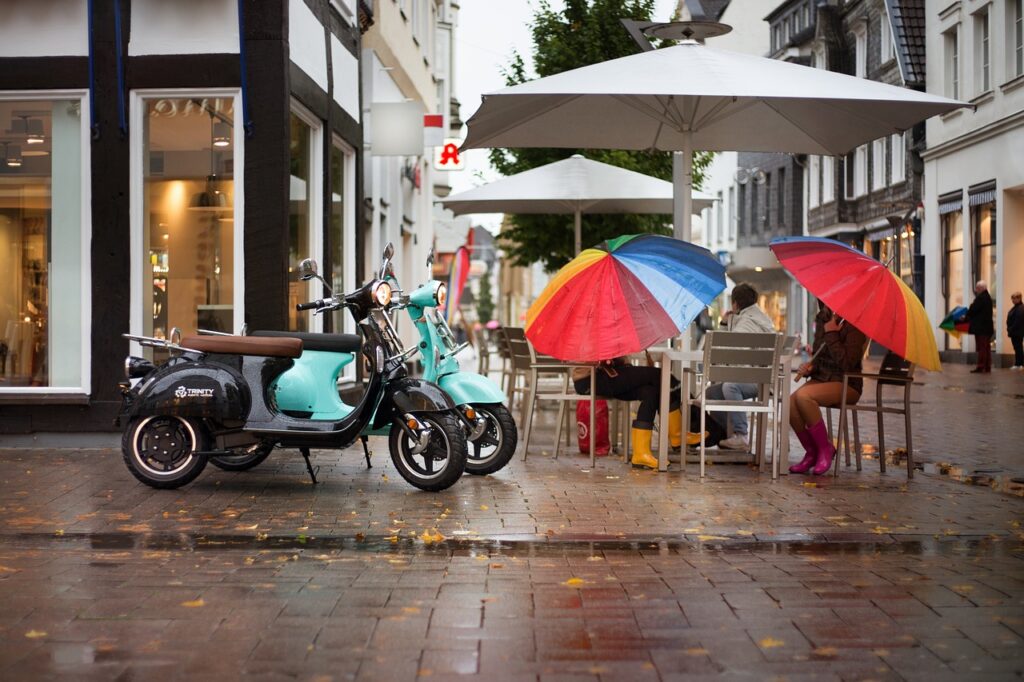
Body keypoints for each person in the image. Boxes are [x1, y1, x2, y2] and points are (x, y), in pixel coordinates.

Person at [788, 301, 869, 475]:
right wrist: (811, 367)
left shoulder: (855, 323)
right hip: (822, 378)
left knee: (804, 397)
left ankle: (825, 448)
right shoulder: (823, 317)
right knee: (790, 403)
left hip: (847, 383)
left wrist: (831, 333)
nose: (825, 305)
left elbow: (847, 363)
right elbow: (820, 355)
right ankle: (811, 453)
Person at [573, 358, 693, 469]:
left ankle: (641, 454)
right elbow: (601, 357)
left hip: (608, 374)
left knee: (651, 392)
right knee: (661, 376)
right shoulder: (592, 336)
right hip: (590, 378)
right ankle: (684, 431)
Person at [706, 283, 778, 450]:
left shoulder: (745, 322)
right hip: (765, 379)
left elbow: (727, 352)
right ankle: (724, 435)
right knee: (712, 393)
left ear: (735, 304)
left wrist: (724, 325)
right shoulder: (761, 318)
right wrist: (726, 324)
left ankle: (741, 435)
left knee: (730, 387)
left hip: (757, 381)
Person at [966, 281, 994, 373]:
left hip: (981, 328)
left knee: (982, 348)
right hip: (987, 328)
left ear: (982, 288)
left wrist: (969, 311)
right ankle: (987, 366)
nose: (976, 290)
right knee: (986, 348)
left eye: (977, 288)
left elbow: (973, 310)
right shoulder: (988, 298)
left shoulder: (981, 298)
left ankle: (981, 366)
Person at [1008, 292, 1024, 370]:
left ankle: (1020, 364)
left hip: (1017, 331)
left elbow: (1018, 321)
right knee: (1017, 347)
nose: (1013, 300)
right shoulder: (1016, 307)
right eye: (1012, 298)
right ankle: (1018, 363)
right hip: (1014, 331)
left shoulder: (1020, 308)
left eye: (1014, 298)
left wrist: (1011, 328)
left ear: (1019, 298)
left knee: (1018, 347)